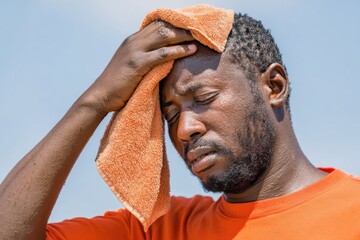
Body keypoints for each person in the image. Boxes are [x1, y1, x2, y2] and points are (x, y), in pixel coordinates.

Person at [1, 10, 360, 240]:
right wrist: (95, 101)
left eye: (202, 98)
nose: (184, 129)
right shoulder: (159, 230)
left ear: (274, 87)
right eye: (169, 114)